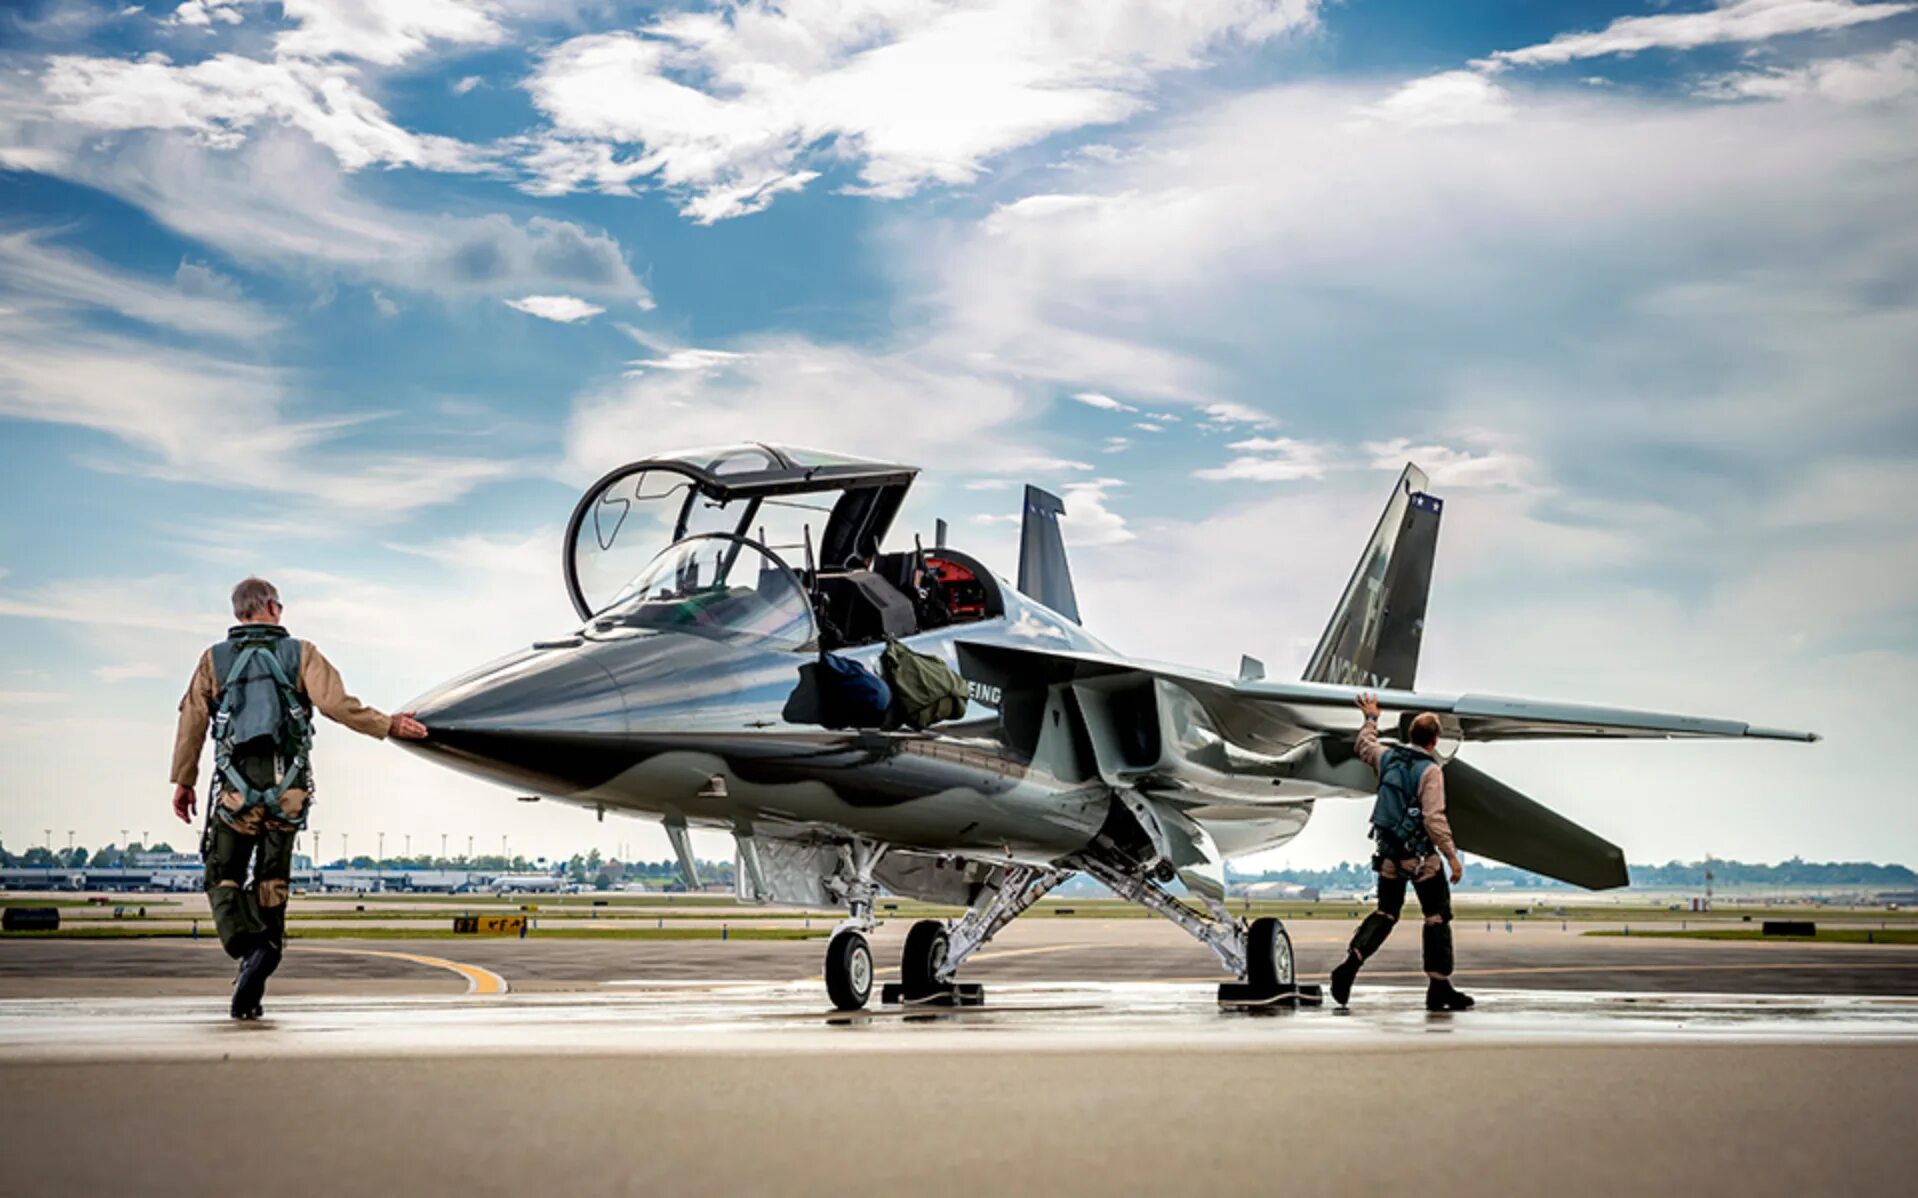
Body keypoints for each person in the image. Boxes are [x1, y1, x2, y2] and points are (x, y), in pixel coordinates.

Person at [169, 577, 426, 1019]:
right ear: (273, 607)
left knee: (222, 873)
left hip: (235, 788)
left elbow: (192, 720)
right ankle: (261, 968)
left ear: (238, 612)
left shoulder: (213, 660)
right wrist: (389, 725)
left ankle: (248, 948)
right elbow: (338, 705)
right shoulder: (301, 653)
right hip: (289, 786)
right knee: (272, 881)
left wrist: (184, 780)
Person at [1328, 693, 1475, 1012]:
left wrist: (1371, 717)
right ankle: (1439, 987)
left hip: (1388, 853)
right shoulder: (1431, 771)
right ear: (1434, 741)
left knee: (1386, 913)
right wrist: (1450, 856)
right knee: (1436, 917)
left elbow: (1363, 745)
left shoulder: (1387, 757)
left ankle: (1350, 965)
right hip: (1421, 857)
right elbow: (1433, 818)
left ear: (1410, 735)